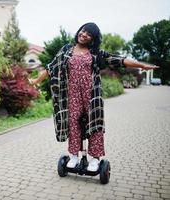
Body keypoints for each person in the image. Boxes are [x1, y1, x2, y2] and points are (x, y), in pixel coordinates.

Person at [30, 22, 158, 171]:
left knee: (95, 125)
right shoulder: (66, 50)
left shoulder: (96, 53)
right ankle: (73, 156)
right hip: (71, 95)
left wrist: (142, 66)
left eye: (88, 34)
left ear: (93, 39)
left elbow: (120, 60)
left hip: (92, 96)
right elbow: (50, 68)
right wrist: (35, 81)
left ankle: (95, 159)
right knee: (73, 124)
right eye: (83, 31)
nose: (84, 35)